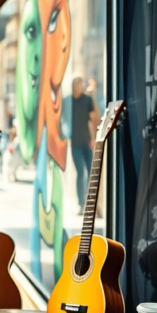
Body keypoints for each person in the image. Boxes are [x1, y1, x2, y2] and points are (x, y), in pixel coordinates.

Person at [70, 74, 99, 215]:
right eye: (78, 83)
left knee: (91, 174)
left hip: (88, 143)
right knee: (81, 173)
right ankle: (81, 204)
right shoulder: (68, 102)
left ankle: (92, 205)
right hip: (75, 144)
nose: (80, 85)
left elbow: (95, 120)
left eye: (82, 83)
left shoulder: (87, 99)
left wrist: (94, 138)